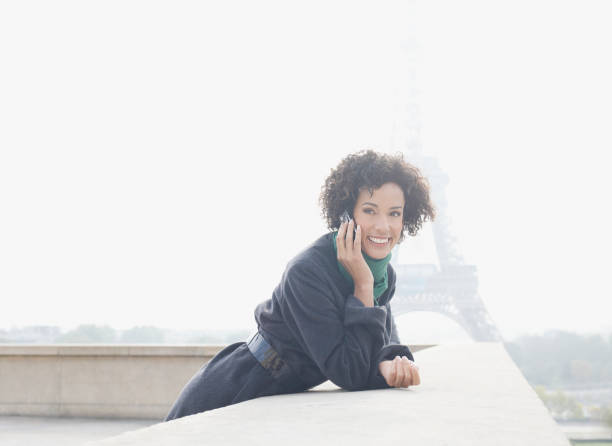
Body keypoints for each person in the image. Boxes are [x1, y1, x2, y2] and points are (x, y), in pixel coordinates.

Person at [164, 149, 436, 421]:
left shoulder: (383, 275)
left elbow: (376, 344)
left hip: (281, 397)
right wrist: (362, 284)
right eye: (369, 210)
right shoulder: (307, 272)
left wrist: (387, 363)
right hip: (239, 387)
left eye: (394, 213)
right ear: (346, 215)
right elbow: (349, 371)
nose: (383, 226)